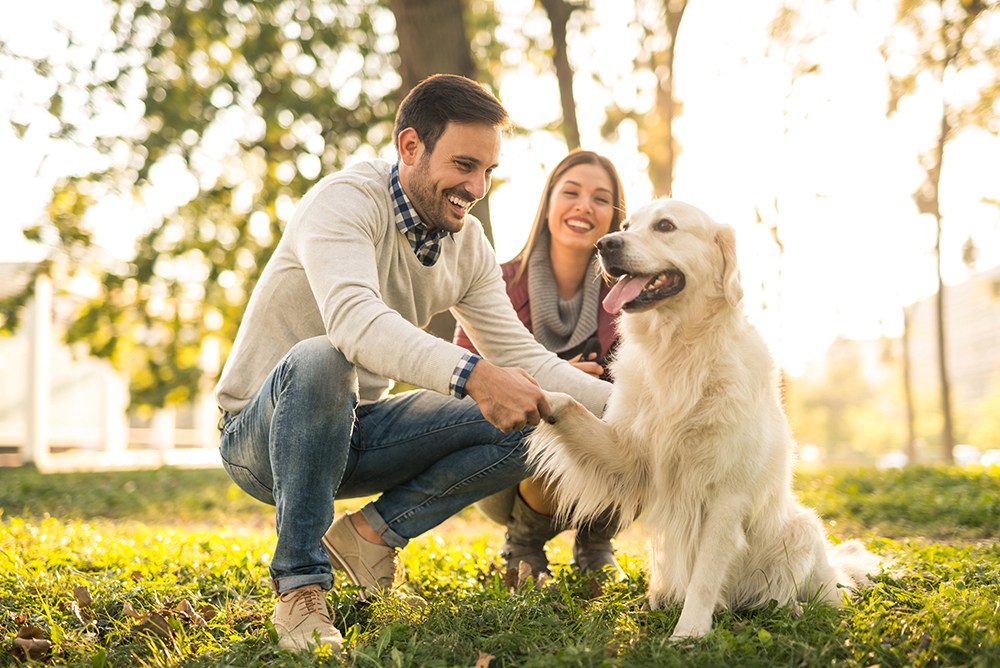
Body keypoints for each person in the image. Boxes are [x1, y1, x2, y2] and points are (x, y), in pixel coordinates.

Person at [213, 74, 613, 652]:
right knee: (326, 357)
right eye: (463, 165)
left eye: (488, 172)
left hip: (358, 431)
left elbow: (520, 355)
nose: (476, 186)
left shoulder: (468, 244)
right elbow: (355, 323)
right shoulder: (343, 202)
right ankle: (300, 587)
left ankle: (370, 537)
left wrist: (632, 410)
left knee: (538, 411)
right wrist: (475, 376)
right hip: (261, 436)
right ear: (409, 147)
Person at [454, 150, 626, 581]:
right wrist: (555, 376)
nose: (585, 205)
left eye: (601, 199)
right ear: (548, 202)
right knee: (555, 421)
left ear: (613, 218)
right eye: (571, 192)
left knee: (646, 424)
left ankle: (596, 540)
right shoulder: (495, 281)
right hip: (510, 470)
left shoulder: (630, 297)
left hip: (605, 464)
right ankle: (524, 543)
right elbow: (460, 381)